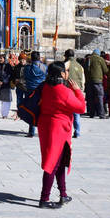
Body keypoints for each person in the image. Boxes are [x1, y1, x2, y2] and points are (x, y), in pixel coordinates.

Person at [36, 61, 86, 209]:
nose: (67, 73)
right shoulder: (64, 91)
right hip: (59, 129)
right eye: (65, 71)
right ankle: (44, 198)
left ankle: (63, 194)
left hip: (46, 127)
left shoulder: (45, 87)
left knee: (59, 163)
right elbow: (81, 108)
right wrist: (77, 91)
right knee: (52, 164)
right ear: (61, 74)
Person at [24, 51, 47, 137]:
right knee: (42, 110)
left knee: (31, 110)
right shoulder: (44, 67)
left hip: (30, 91)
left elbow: (25, 77)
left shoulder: (27, 68)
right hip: (41, 91)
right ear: (39, 58)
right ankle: (43, 130)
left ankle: (31, 131)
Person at [63, 49, 85, 136]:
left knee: (67, 112)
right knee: (76, 113)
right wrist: (81, 89)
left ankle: (66, 130)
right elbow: (83, 79)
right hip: (78, 90)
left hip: (69, 90)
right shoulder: (80, 66)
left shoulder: (68, 63)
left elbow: (60, 71)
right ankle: (77, 131)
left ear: (66, 56)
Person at [85, 49, 107, 119]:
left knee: (91, 98)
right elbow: (105, 70)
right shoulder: (100, 59)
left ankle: (92, 113)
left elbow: (86, 69)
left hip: (89, 81)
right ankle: (101, 114)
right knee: (99, 97)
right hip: (98, 81)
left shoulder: (89, 59)